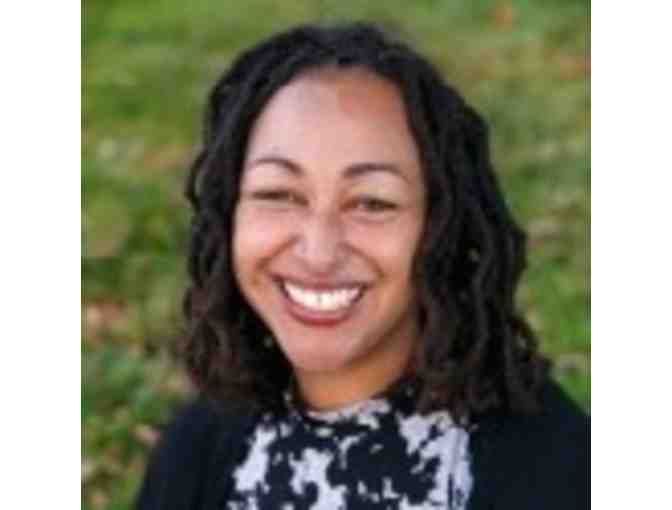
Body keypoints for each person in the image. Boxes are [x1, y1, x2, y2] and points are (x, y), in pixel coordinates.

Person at [136, 23, 588, 510]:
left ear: (443, 227)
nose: (318, 252)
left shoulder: (559, 470)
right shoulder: (197, 450)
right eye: (279, 194)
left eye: (372, 203)